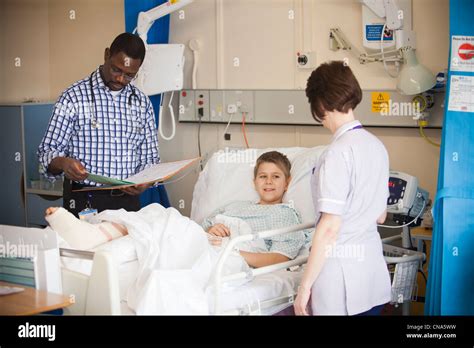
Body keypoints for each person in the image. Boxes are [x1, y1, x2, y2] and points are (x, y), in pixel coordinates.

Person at [44, 151, 307, 268]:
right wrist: (211, 228)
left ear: (288, 183)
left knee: (160, 222)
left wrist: (232, 250)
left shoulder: (287, 215)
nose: (269, 182)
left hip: (225, 254)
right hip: (201, 239)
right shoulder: (236, 206)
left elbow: (281, 259)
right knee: (160, 214)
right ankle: (95, 236)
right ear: (254, 181)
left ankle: (93, 238)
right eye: (263, 176)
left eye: (276, 177)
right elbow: (200, 227)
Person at [294, 61, 392, 316]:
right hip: (372, 276)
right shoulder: (377, 146)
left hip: (341, 284)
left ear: (320, 105)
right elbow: (380, 215)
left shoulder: (336, 153)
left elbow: (329, 229)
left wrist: (304, 288)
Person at [38, 33, 160, 217]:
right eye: (116, 70)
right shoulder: (73, 97)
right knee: (84, 246)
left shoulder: (142, 103)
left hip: (127, 204)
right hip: (83, 199)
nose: (120, 79)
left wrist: (146, 182)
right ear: (106, 55)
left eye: (129, 76)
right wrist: (64, 163)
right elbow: (46, 152)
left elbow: (151, 160)